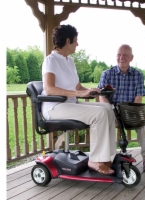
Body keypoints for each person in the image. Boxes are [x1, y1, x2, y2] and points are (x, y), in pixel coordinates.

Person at [41, 24, 117, 175]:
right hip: (55, 107)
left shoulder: (70, 61)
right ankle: (95, 160)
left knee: (108, 108)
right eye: (76, 41)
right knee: (99, 114)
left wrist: (89, 91)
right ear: (68, 41)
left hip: (69, 104)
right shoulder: (51, 60)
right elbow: (49, 89)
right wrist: (79, 94)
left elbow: (77, 86)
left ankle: (107, 156)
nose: (77, 44)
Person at [97, 44, 145, 172]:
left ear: (131, 58)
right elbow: (102, 96)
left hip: (130, 110)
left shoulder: (138, 75)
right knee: (105, 122)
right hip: (112, 111)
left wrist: (130, 112)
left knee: (144, 124)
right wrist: (112, 108)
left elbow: (138, 98)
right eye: (119, 54)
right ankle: (107, 159)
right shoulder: (107, 74)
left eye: (125, 55)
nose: (121, 57)